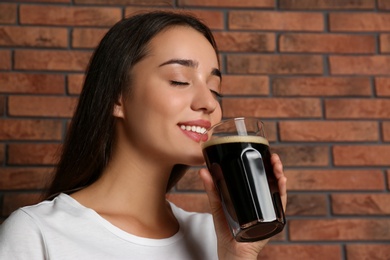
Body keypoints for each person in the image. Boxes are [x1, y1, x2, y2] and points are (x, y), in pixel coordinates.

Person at [0, 11, 287, 259]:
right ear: (117, 97)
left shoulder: (216, 235)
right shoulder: (38, 233)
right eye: (179, 80)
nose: (210, 103)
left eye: (215, 89)